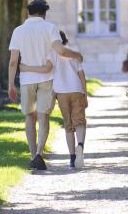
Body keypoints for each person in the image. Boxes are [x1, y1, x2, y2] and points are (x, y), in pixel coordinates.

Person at [8, 0, 83, 171]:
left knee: (29, 117)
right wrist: (77, 55)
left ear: (29, 12)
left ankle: (33, 155)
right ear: (44, 12)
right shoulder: (50, 28)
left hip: (26, 79)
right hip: (46, 79)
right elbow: (62, 51)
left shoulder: (18, 30)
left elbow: (13, 62)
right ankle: (40, 154)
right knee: (43, 117)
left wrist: (11, 84)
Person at [52, 30, 88, 169]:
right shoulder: (74, 54)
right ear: (66, 41)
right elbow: (82, 75)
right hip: (77, 90)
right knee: (80, 122)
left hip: (61, 92)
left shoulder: (52, 55)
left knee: (68, 126)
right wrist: (85, 94)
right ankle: (80, 146)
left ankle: (72, 158)